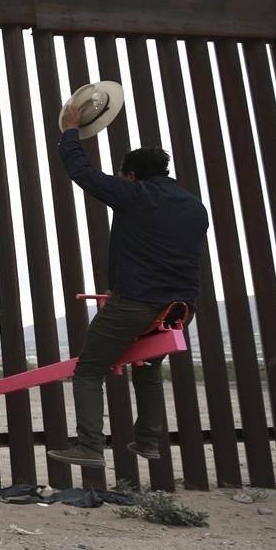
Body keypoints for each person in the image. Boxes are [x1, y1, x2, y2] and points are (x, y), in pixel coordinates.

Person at [47, 102, 209, 469]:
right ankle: (148, 441)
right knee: (148, 369)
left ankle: (89, 446)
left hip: (135, 303)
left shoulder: (137, 196)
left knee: (89, 369)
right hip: (181, 309)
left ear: (132, 176)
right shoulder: (195, 207)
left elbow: (83, 172)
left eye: (123, 179)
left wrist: (70, 131)